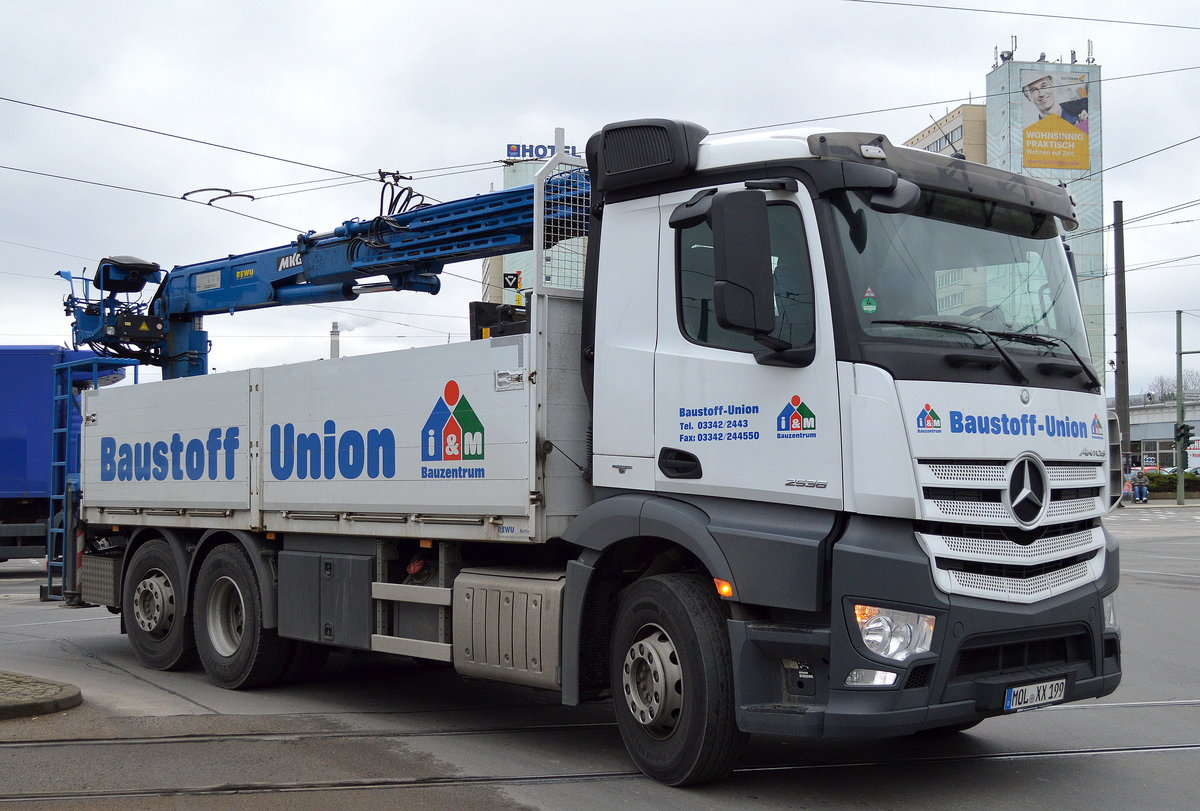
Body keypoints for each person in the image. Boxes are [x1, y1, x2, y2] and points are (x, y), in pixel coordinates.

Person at [1023, 73, 1088, 133]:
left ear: (1053, 84)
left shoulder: (1082, 107)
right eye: (1033, 90)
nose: (1041, 94)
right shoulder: (1034, 133)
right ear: (1027, 96)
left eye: (1044, 86)